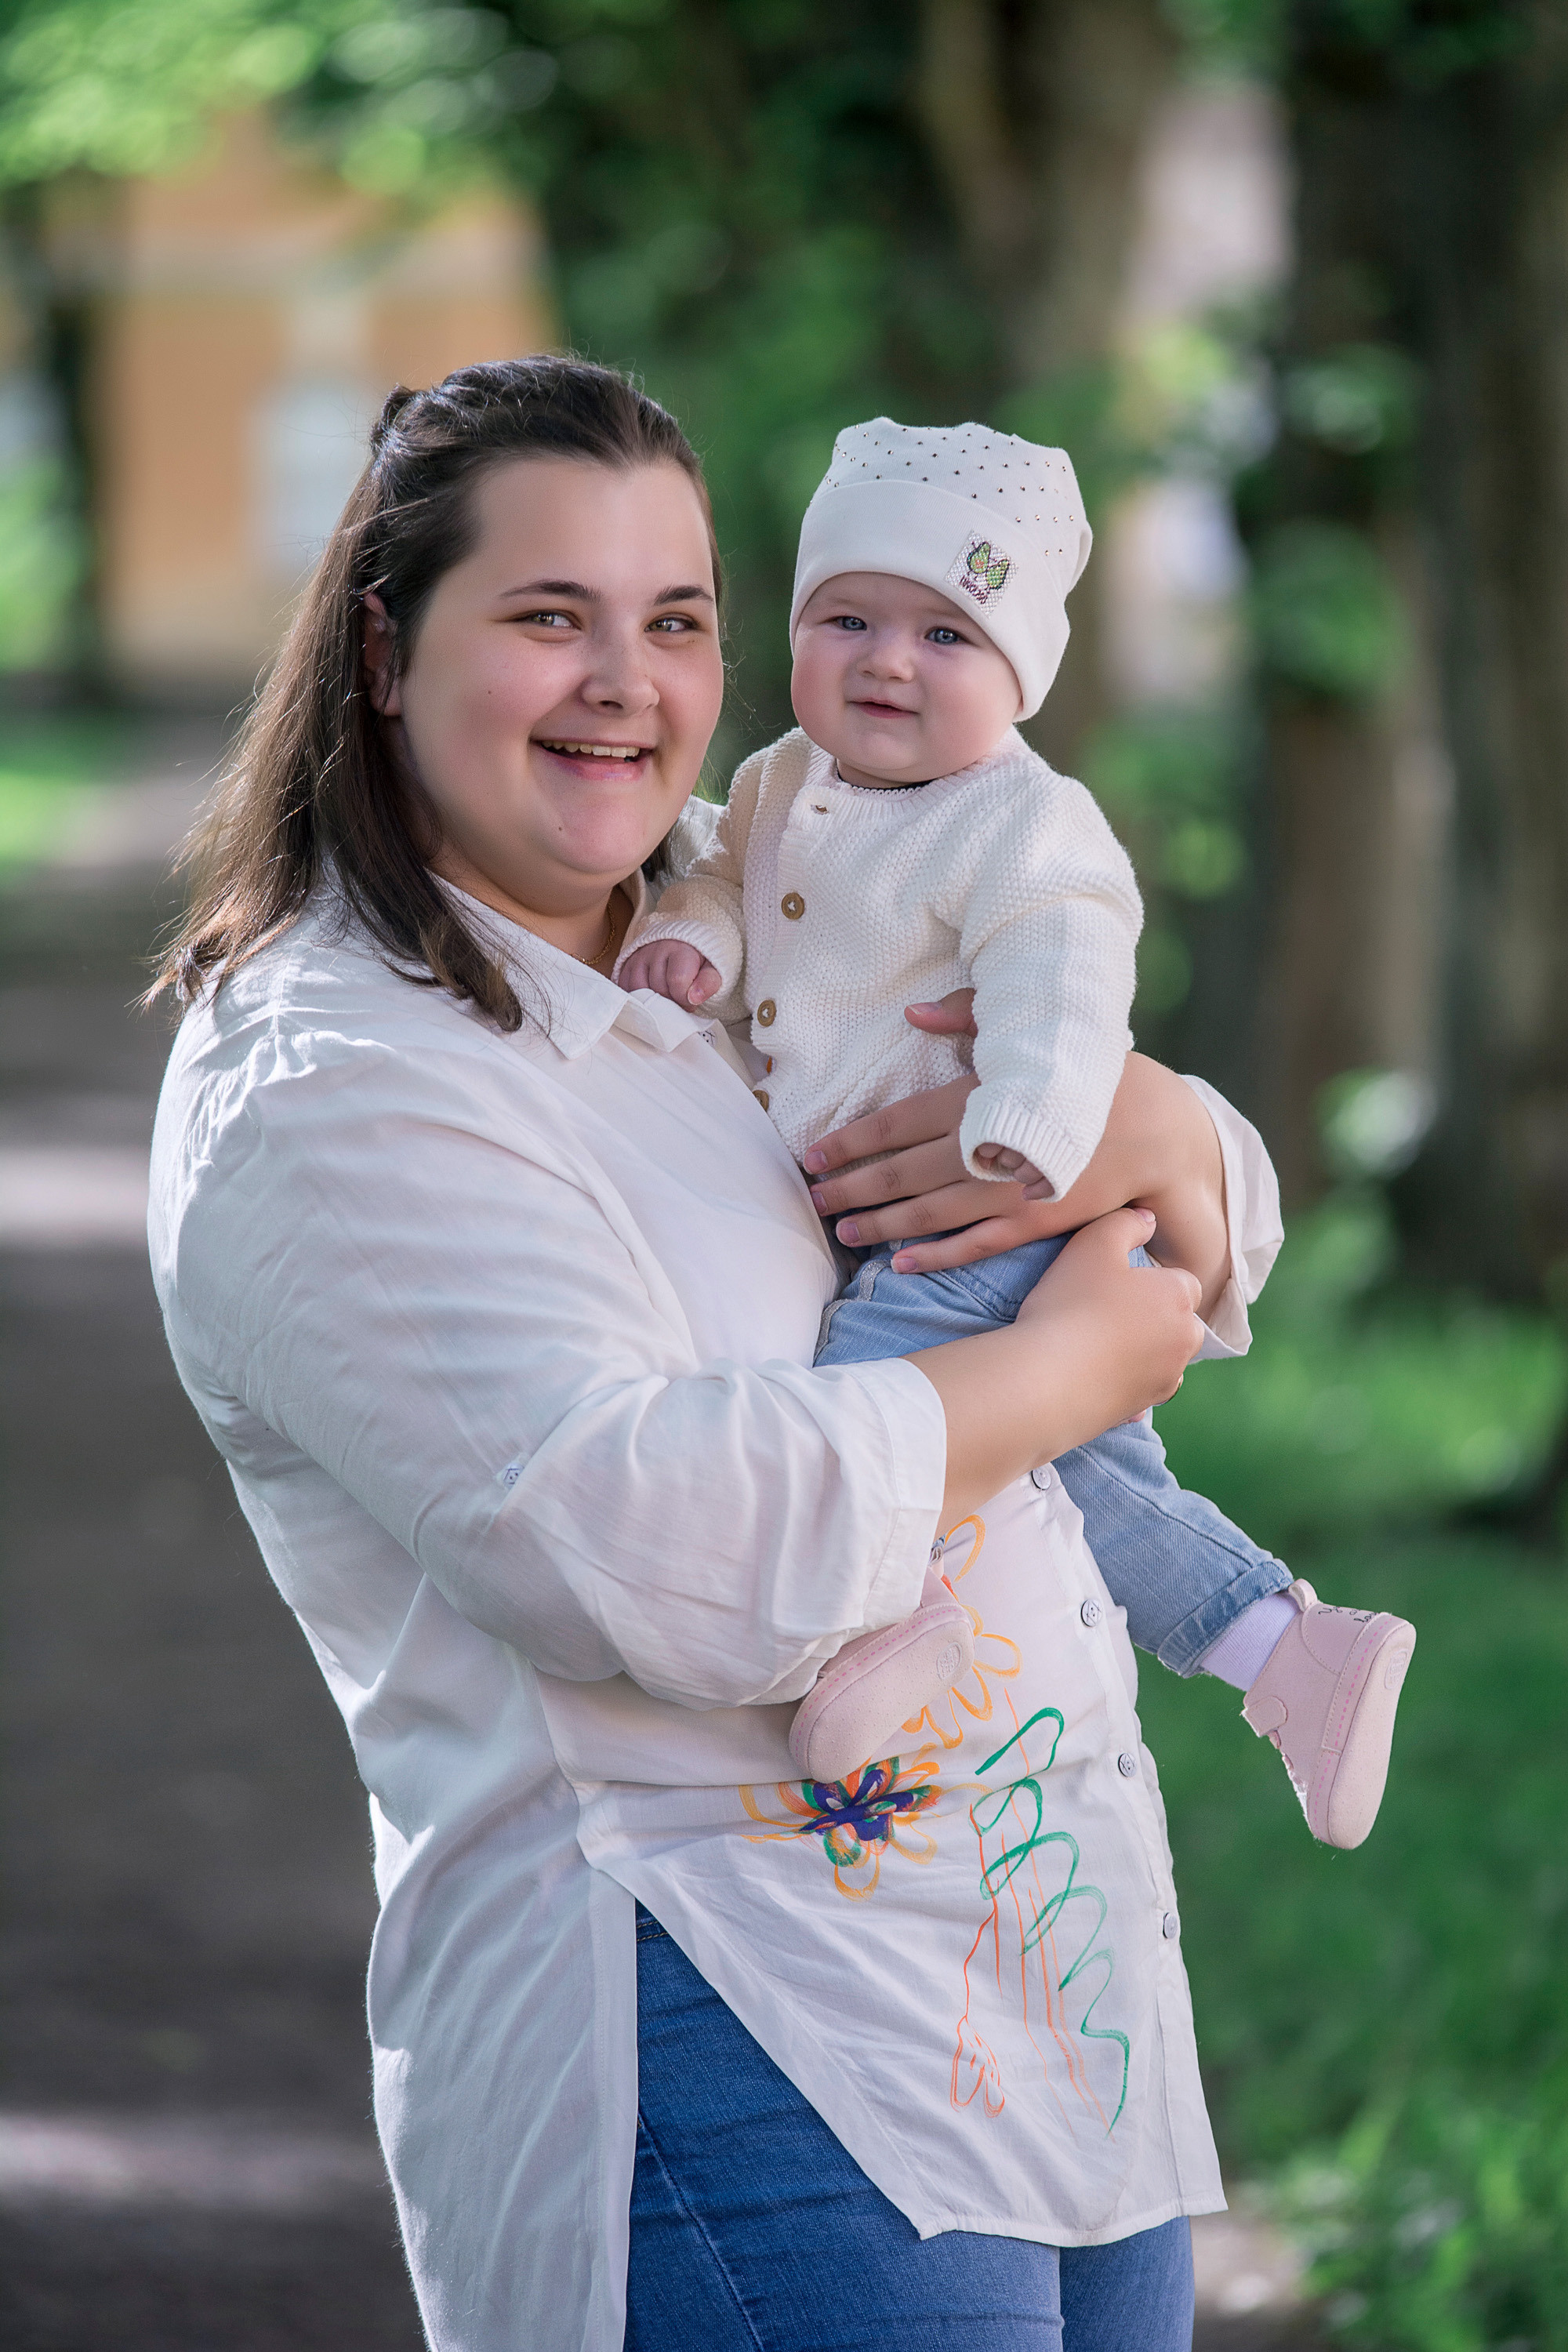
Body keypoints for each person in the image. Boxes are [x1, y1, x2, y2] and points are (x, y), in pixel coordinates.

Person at [150, 357, 1277, 2351]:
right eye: (550, 617)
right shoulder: (334, 1084)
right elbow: (648, 1546)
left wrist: (1171, 1131)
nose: (629, 684)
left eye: (675, 622)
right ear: (387, 649)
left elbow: (1166, 1209)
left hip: (1050, 1971)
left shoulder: (713, 944)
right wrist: (1076, 1374)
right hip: (726, 2017)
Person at [618, 416, 1416, 1840]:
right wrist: (689, 946)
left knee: (867, 1387)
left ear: (1022, 675)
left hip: (987, 1204)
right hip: (907, 1209)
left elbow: (1067, 979)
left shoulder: (1022, 828)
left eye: (946, 635)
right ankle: (1287, 1649)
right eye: (847, 616)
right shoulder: (772, 786)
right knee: (1098, 1472)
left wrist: (1030, 1138)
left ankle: (878, 1621)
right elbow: (721, 886)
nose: (886, 661)